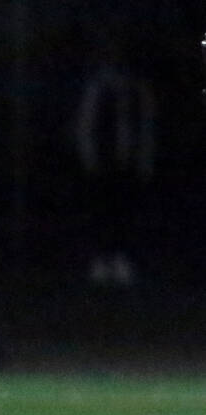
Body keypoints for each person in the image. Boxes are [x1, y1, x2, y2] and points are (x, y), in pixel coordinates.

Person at [74, 40, 156, 288]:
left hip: (127, 162)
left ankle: (120, 259)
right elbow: (85, 126)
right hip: (105, 161)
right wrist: (89, 157)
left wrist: (144, 159)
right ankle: (102, 260)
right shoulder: (99, 88)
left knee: (124, 212)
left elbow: (146, 127)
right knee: (102, 212)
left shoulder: (137, 91)